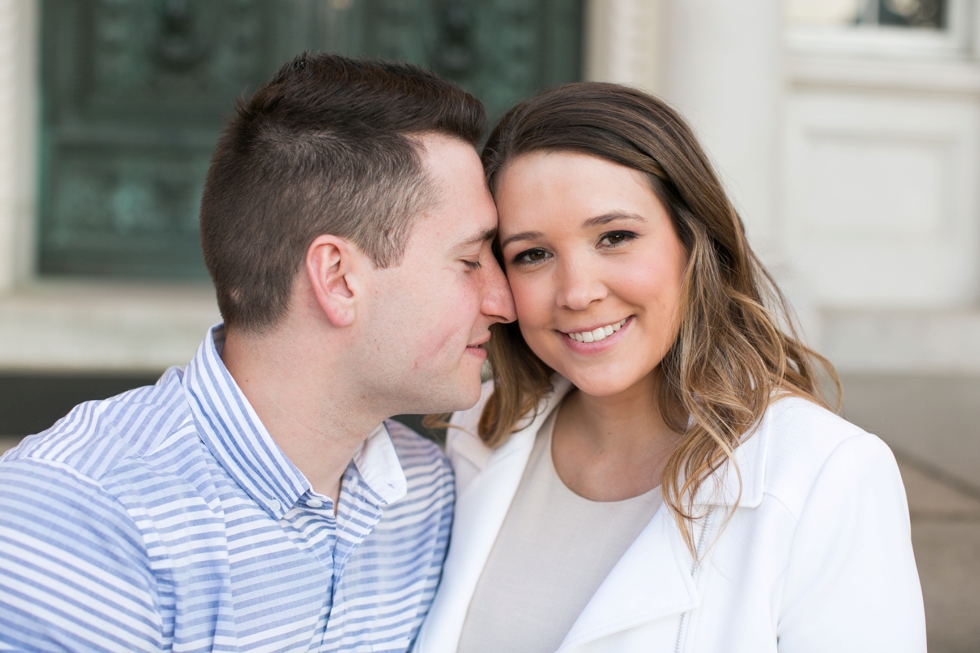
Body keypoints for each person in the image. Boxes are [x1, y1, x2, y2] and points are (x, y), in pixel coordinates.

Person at [0, 53, 515, 651]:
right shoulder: (78, 516)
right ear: (339, 278)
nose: (504, 302)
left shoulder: (430, 492)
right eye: (470, 260)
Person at [414, 83, 926, 653]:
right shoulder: (477, 433)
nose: (578, 293)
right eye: (532, 254)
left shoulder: (827, 473)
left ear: (694, 240)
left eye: (615, 237)